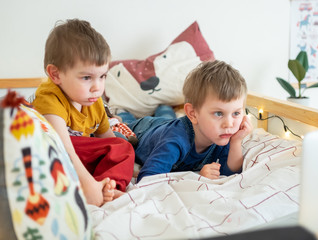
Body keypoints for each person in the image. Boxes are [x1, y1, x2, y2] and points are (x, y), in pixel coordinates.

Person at [32, 19, 135, 206]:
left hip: (79, 162)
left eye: (102, 76)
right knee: (120, 147)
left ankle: (109, 188)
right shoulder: (49, 98)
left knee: (122, 146)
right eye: (87, 77)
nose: (97, 87)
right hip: (53, 155)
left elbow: (109, 141)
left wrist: (127, 164)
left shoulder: (94, 102)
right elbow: (63, 148)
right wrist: (87, 185)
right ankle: (95, 188)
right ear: (55, 75)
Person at [127, 60, 252, 182]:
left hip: (168, 124)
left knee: (167, 116)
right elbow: (147, 178)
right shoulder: (174, 142)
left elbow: (229, 172)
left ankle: (164, 108)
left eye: (236, 113)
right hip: (144, 129)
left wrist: (236, 141)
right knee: (123, 126)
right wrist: (194, 178)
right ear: (192, 113)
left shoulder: (221, 134)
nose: (229, 124)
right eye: (219, 113)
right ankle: (123, 114)